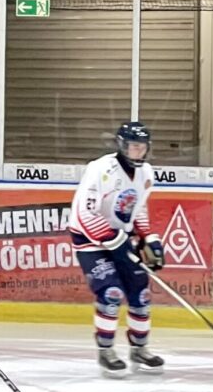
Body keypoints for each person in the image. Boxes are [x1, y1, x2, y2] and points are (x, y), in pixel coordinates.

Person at [67, 121, 164, 378]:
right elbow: (84, 213)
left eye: (142, 147)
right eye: (133, 147)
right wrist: (114, 239)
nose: (138, 152)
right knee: (111, 293)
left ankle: (139, 348)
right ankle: (106, 350)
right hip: (90, 241)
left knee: (141, 294)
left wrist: (148, 238)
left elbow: (137, 209)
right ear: (122, 146)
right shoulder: (100, 169)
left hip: (121, 237)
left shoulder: (146, 173)